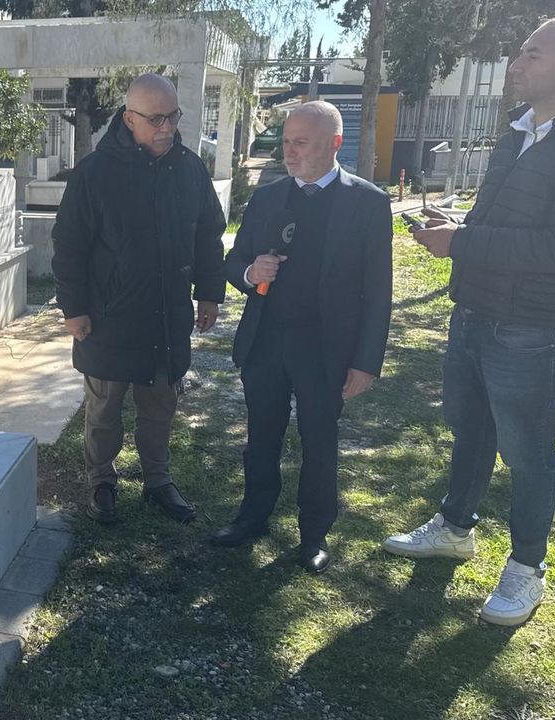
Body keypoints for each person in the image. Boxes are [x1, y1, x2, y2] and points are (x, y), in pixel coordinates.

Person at [386, 13, 555, 625]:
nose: (516, 64)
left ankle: (527, 568)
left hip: (534, 328)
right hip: (476, 311)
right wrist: (458, 228)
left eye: (532, 53)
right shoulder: (520, 131)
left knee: (528, 452)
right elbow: (505, 221)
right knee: (469, 429)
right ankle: (455, 527)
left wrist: (462, 243)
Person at [209, 101, 392, 573]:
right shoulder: (269, 197)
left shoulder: (368, 203)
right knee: (261, 437)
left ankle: (314, 534)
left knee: (320, 441)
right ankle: (253, 516)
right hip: (267, 342)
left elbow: (378, 290)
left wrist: (366, 361)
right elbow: (234, 262)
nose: (288, 152)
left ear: (335, 144)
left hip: (326, 349)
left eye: (300, 143)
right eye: (286, 142)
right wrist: (250, 272)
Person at [51, 73, 226, 525]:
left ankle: (158, 480)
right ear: (129, 119)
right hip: (108, 318)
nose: (167, 127)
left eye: (173, 116)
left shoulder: (189, 169)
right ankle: (101, 480)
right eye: (155, 119)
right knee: (104, 409)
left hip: (166, 317)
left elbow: (209, 236)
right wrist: (74, 309)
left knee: (159, 408)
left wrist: (210, 293)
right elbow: (68, 245)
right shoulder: (94, 173)